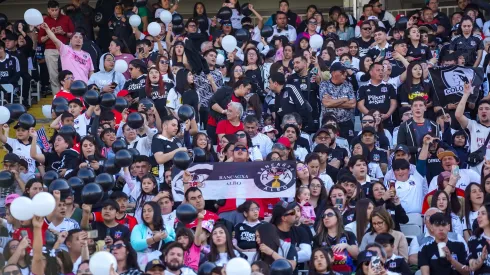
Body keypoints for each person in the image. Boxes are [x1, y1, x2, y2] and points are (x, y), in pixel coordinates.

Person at [38, 0, 75, 94]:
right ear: (48, 10)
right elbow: (40, 39)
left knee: (68, 74)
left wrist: (63, 33)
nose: (54, 12)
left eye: (56, 10)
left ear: (59, 9)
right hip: (50, 50)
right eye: (52, 10)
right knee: (53, 76)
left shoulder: (66, 18)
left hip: (65, 49)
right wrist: (49, 33)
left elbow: (73, 34)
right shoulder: (45, 21)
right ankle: (58, 99)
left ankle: (70, 96)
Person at [456, 81, 490, 173]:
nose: (484, 111)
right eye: (481, 109)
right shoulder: (473, 125)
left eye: (487, 109)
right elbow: (458, 115)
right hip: (475, 172)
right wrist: (466, 94)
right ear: (478, 113)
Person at [313, 206, 358, 273]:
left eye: (330, 215)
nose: (326, 217)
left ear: (338, 217)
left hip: (346, 272)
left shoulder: (349, 235)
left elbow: (357, 255)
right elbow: (314, 259)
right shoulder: (317, 238)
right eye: (324, 216)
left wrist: (346, 246)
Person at [319, 62, 356, 141]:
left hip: (345, 123)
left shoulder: (348, 84)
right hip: (328, 123)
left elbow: (352, 104)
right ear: (333, 73)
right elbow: (326, 103)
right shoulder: (324, 85)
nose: (345, 74)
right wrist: (343, 99)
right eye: (342, 72)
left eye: (345, 71)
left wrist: (332, 101)